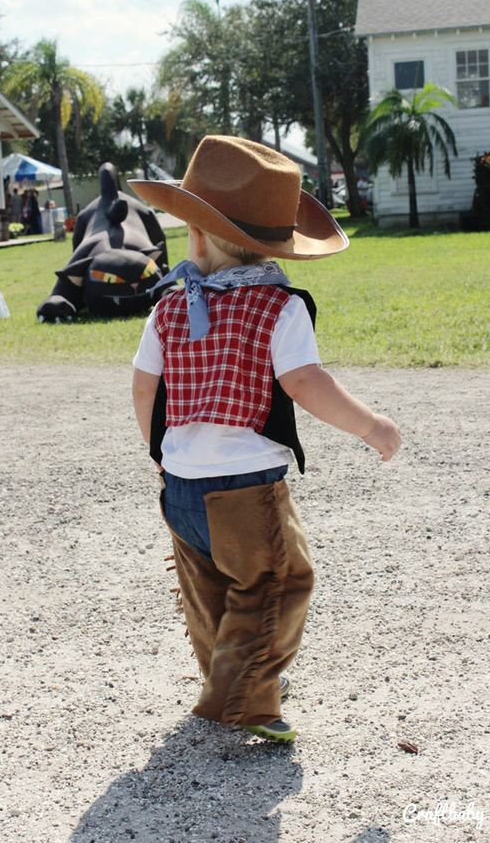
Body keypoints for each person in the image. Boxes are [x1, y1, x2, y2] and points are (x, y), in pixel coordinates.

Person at [129, 136, 401, 743]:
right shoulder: (278, 308)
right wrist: (371, 426)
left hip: (181, 486)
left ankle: (231, 680)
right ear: (276, 246)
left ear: (195, 237)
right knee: (280, 581)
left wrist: (159, 453)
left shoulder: (167, 310)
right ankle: (242, 699)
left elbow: (145, 389)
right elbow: (305, 382)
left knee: (210, 594)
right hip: (247, 488)